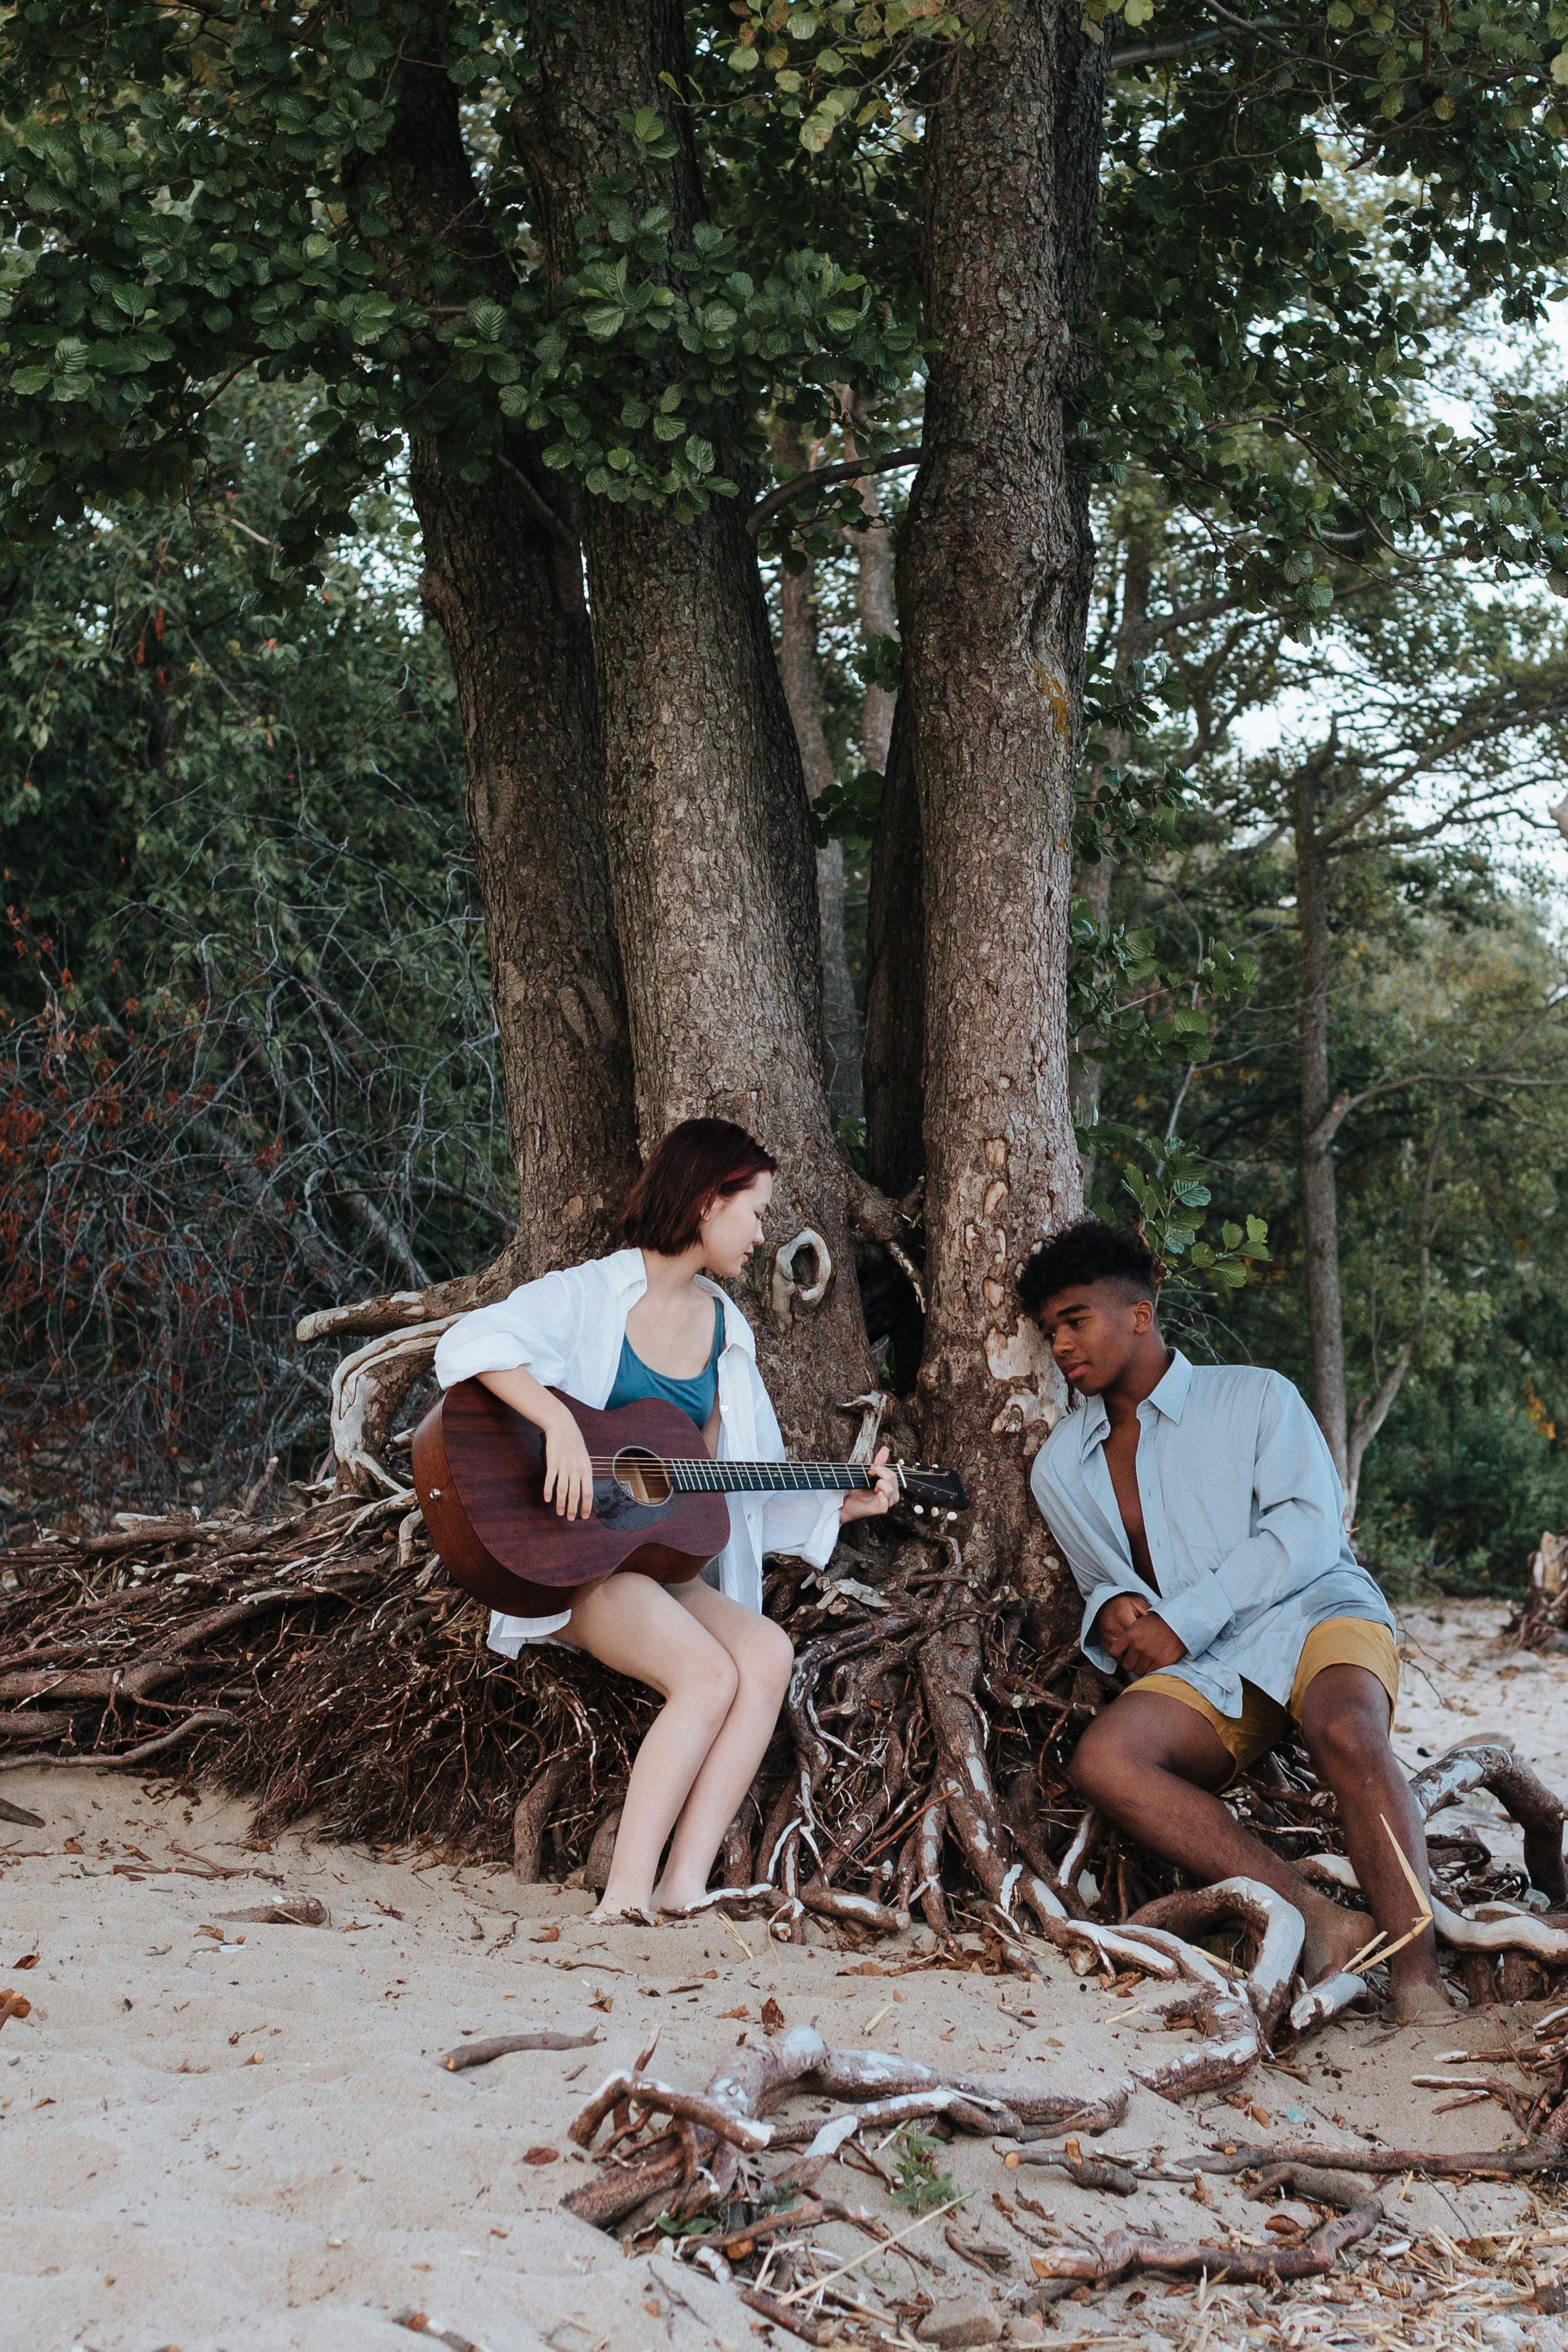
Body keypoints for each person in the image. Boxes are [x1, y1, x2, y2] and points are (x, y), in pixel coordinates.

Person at [433, 1118, 896, 1923]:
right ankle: (622, 1898)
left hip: (645, 1562)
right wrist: (560, 1424)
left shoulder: (727, 1333)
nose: (761, 1234)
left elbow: (713, 1487)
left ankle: (684, 1883)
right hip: (567, 1556)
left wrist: (840, 1500)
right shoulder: (590, 1292)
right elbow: (468, 1342)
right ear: (708, 1201)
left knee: (765, 1653)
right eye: (753, 1211)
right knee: (707, 1673)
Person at [1021, 1217, 1451, 2023]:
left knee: (1348, 1733)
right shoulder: (1059, 1466)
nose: (1060, 1346)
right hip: (1211, 1662)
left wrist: (1183, 1617)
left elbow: (1305, 1531)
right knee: (1107, 1759)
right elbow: (1100, 1579)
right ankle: (1315, 1918)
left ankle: (1419, 1977)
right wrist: (1110, 1611)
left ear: (1139, 1315)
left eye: (1074, 1320)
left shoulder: (1254, 1396)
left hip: (1318, 1606)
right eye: (1049, 1331)